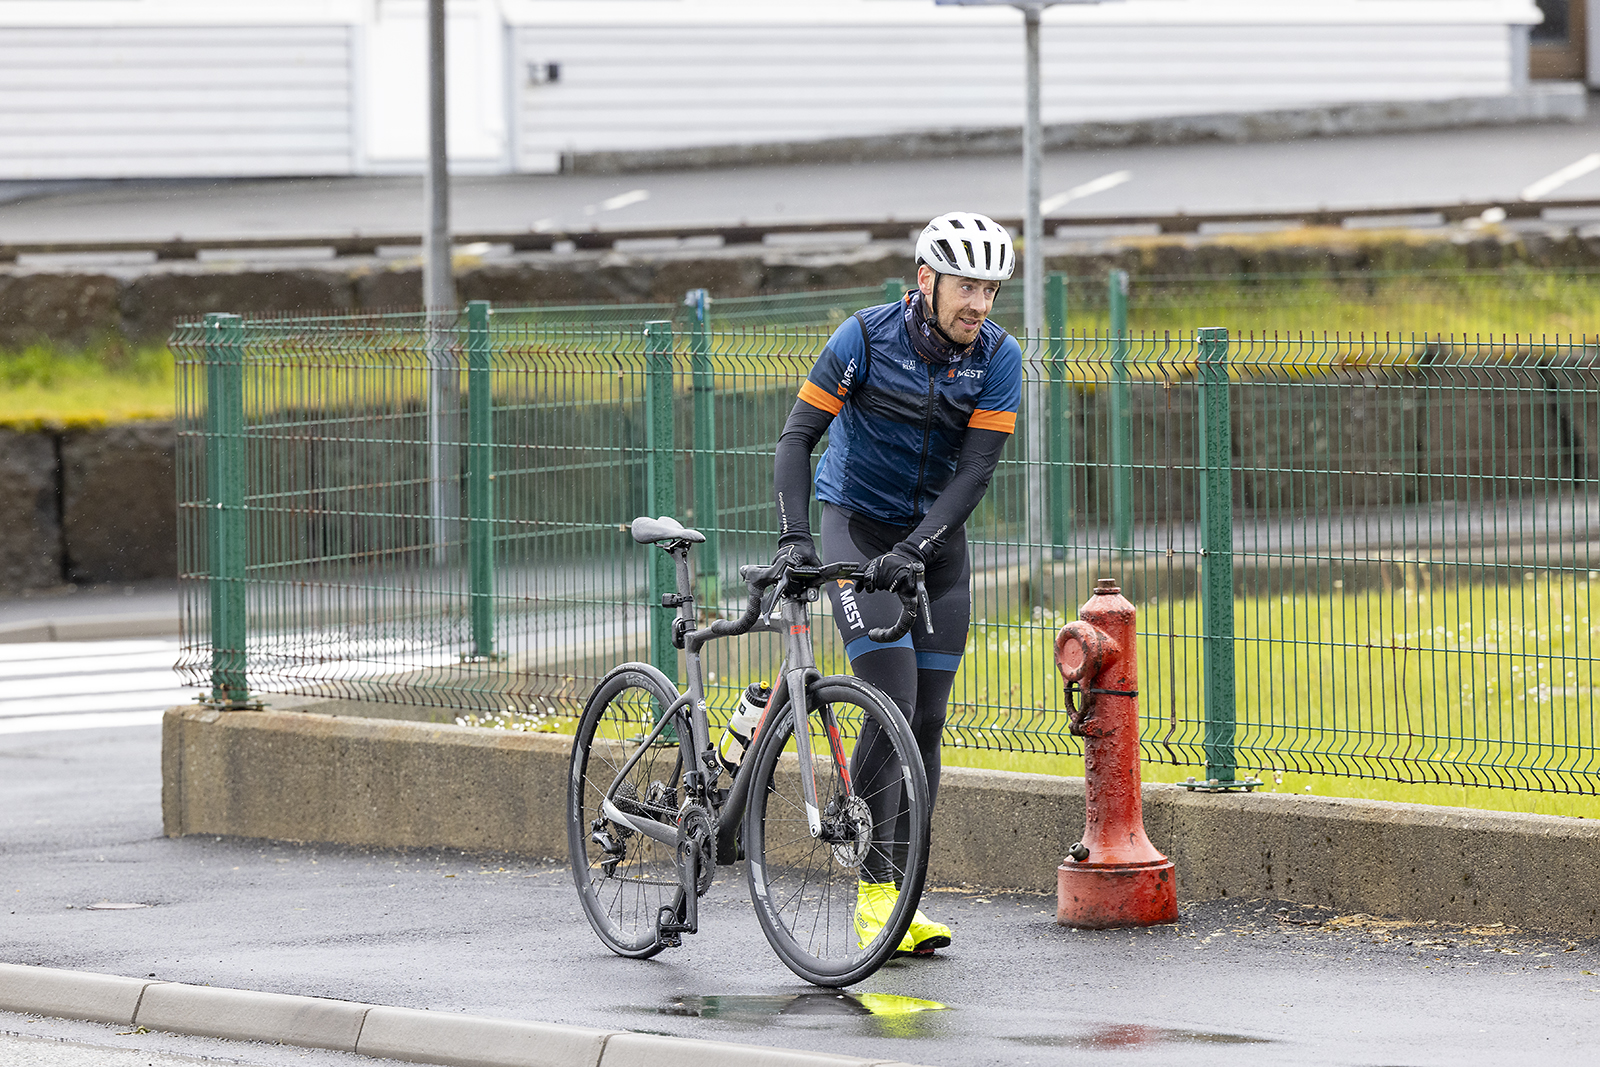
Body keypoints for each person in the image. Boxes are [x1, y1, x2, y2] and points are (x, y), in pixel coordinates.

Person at [770, 211, 1022, 956]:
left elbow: (975, 470)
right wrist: (795, 537)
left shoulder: (999, 356)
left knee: (929, 722)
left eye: (991, 289)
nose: (979, 304)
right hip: (858, 533)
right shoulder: (864, 338)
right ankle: (876, 894)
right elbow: (797, 438)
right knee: (894, 700)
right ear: (926, 279)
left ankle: (903, 896)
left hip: (932, 549)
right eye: (966, 286)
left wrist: (919, 547)